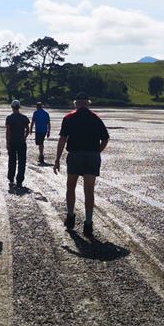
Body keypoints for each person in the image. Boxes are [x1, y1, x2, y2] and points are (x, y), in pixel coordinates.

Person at [54, 92, 109, 239]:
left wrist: (57, 159)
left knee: (70, 186)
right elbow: (105, 139)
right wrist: (97, 152)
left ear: (76, 103)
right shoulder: (95, 118)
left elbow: (62, 139)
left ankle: (70, 216)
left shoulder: (69, 118)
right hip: (91, 155)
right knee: (89, 191)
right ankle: (88, 223)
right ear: (88, 103)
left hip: (75, 155)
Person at [5, 99, 31, 190]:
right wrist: (24, 137)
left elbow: (8, 131)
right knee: (21, 162)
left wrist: (7, 143)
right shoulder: (24, 118)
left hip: (12, 142)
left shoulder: (9, 118)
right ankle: (19, 181)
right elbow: (28, 130)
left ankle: (11, 178)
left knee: (12, 161)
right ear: (19, 107)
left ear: (12, 107)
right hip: (21, 142)